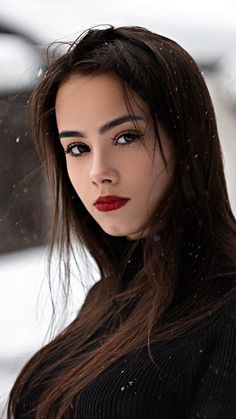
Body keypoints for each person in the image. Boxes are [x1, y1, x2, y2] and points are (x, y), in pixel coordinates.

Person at [7, 25, 236, 419]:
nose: (98, 172)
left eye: (126, 137)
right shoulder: (110, 296)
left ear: (185, 138)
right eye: (77, 148)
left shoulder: (226, 311)